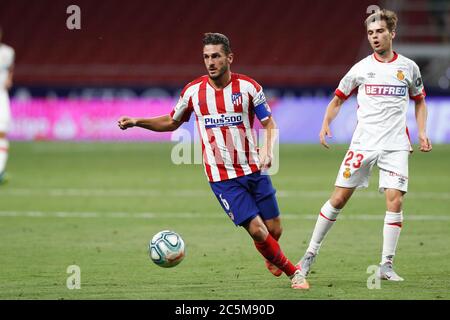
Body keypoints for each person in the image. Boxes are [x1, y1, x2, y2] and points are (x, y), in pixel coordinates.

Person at [118, 33, 308, 289]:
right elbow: (172, 121)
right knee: (257, 230)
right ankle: (294, 273)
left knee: (274, 230)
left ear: (229, 58)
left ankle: (270, 252)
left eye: (216, 56)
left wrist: (267, 149)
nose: (210, 62)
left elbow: (269, 124)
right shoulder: (193, 92)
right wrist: (137, 122)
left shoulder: (250, 88)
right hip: (222, 178)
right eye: (206, 57)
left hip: (254, 169)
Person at [296, 9, 432, 285]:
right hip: (363, 143)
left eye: (380, 31)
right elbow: (337, 99)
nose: (375, 37)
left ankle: (386, 264)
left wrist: (423, 132)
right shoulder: (360, 68)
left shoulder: (408, 68)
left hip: (395, 144)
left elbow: (419, 100)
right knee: (338, 199)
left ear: (392, 34)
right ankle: (309, 254)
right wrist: (325, 124)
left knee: (395, 199)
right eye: (370, 33)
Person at [0, 26, 15, 185]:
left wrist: (10, 78)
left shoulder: (8, 52)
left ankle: (0, 170)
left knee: (2, 133)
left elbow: (10, 68)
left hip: (1, 96)